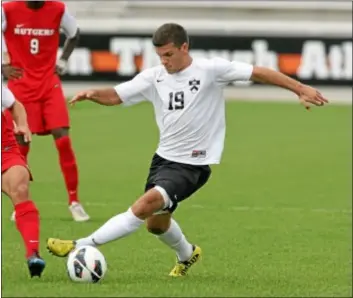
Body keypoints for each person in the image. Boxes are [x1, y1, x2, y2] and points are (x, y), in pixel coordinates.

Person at [47, 23, 328, 276]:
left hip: (193, 164)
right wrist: (95, 95)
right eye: (160, 56)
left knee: (144, 205)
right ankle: (187, 254)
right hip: (163, 160)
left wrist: (298, 87)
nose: (165, 61)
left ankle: (79, 244)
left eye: (169, 54)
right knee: (156, 225)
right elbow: (118, 95)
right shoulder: (154, 77)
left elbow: (259, 72)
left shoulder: (210, 70)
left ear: (184, 47)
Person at [1, 0, 89, 222]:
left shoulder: (57, 9)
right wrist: (3, 62)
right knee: (21, 143)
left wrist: (63, 61)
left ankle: (74, 202)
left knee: (63, 139)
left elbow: (74, 33)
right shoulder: (8, 9)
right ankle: (19, 202)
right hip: (20, 82)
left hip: (49, 82)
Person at [2, 85, 46, 278]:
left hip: (4, 148)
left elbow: (15, 105)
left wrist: (23, 124)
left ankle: (33, 253)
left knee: (20, 186)